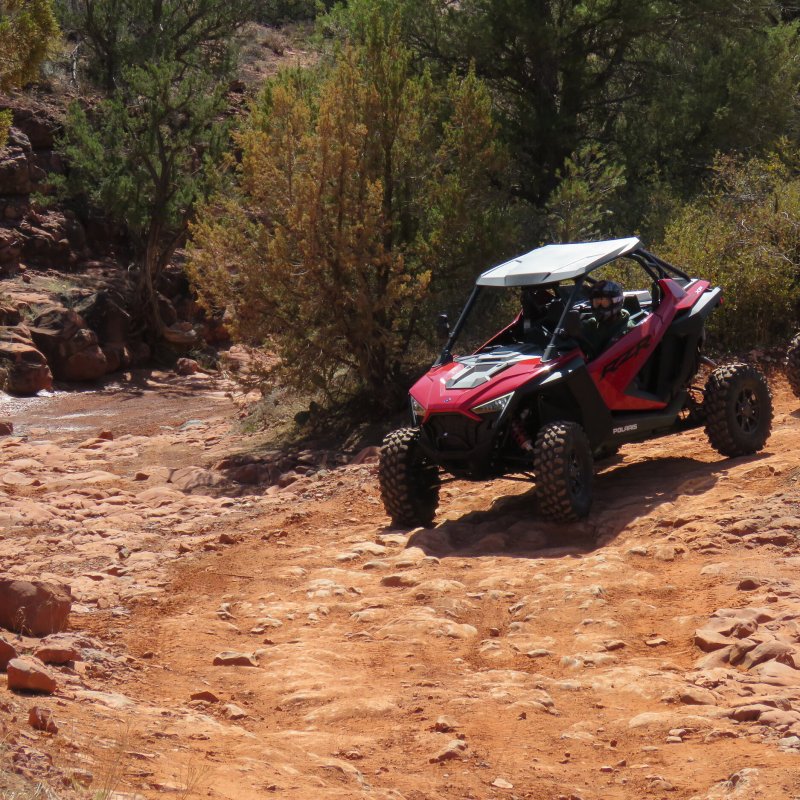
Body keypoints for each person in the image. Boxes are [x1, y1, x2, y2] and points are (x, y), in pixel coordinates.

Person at [579, 279, 635, 359]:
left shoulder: (628, 329)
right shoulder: (592, 324)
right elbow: (580, 329)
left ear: (616, 301)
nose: (599, 307)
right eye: (596, 303)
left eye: (604, 302)